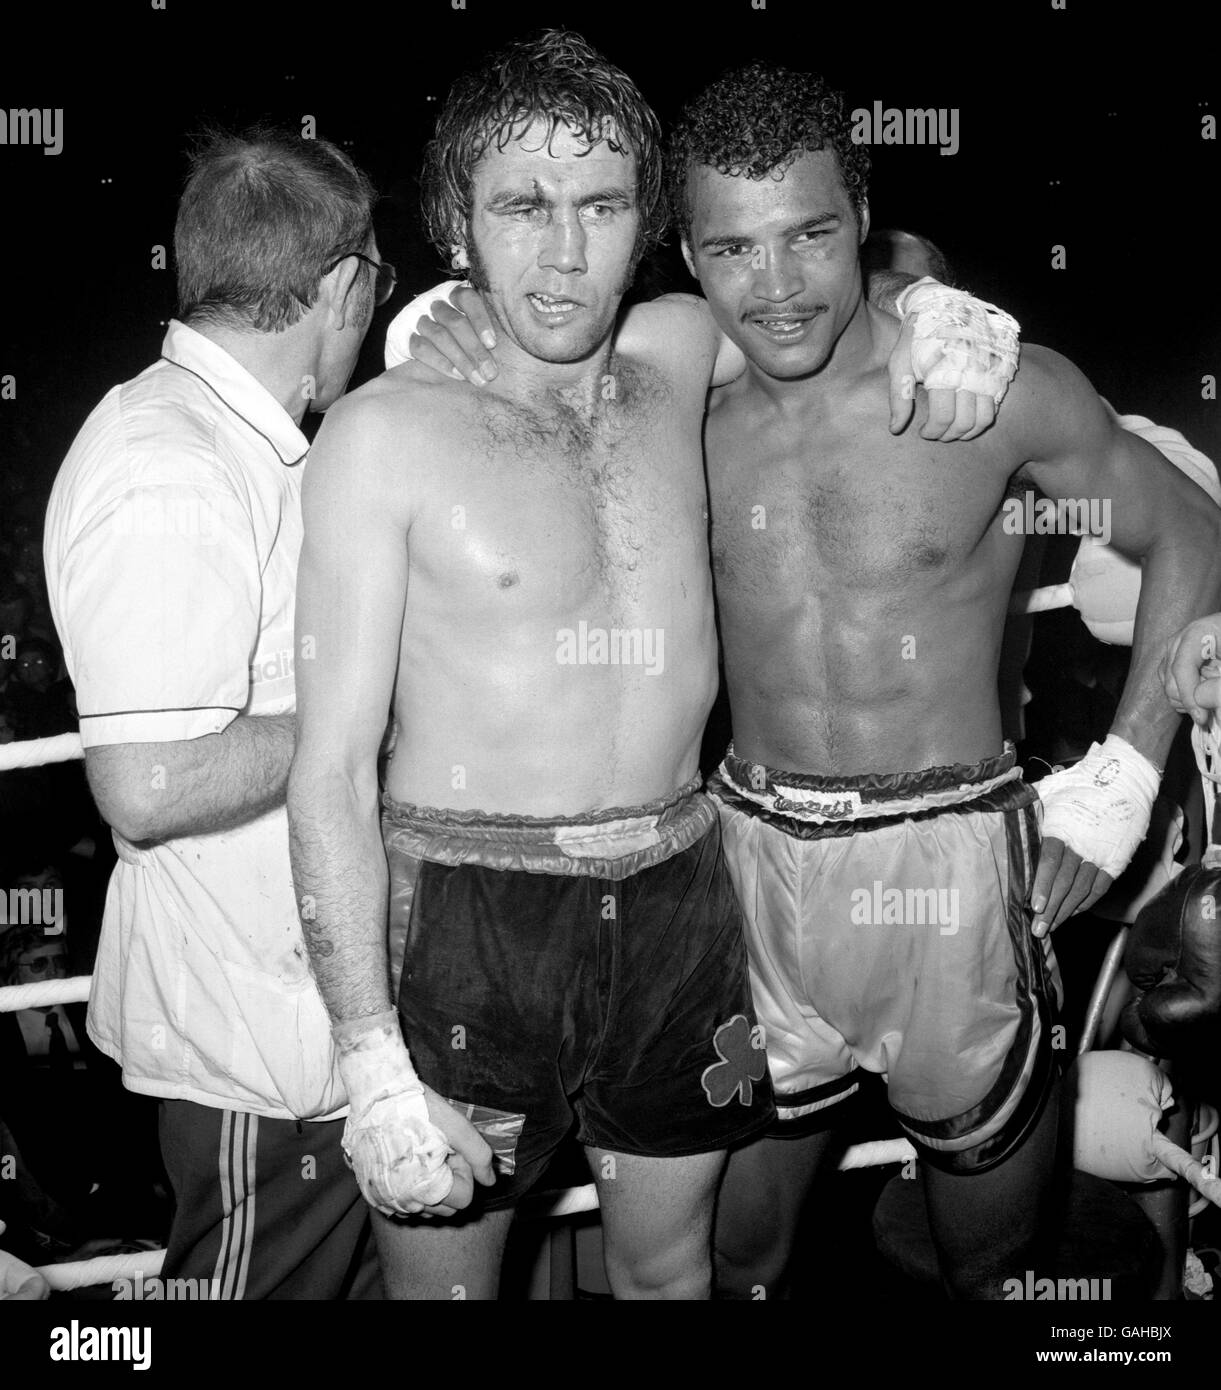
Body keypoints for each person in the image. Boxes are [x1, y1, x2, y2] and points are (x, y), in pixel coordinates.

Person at [288, 29, 1011, 1300]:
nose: (565, 252)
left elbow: (808, 285)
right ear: (458, 221)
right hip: (468, 913)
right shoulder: (382, 434)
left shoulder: (681, 349)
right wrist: (368, 1055)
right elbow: (330, 769)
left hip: (684, 900)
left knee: (674, 1273)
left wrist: (936, 301)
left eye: (602, 206)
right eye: (522, 206)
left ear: (648, 225)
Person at [657, 64, 1221, 1299]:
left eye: (810, 234)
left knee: (990, 1267)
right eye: (734, 248)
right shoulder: (667, 409)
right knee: (739, 1256)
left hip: (955, 872)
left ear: (861, 212)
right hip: (751, 870)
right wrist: (455, 327)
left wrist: (1122, 774)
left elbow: (1191, 528)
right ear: (689, 258)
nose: (779, 285)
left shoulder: (991, 389)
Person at [42, 126, 392, 1299]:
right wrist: (369, 727)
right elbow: (146, 782)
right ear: (343, 285)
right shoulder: (170, 467)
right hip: (259, 1062)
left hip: (296, 1034)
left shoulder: (236, 442)